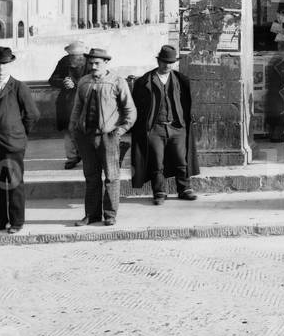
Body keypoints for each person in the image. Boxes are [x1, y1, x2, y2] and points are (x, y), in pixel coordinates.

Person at [68, 48, 136, 226]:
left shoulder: (117, 81)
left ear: (106, 63)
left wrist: (120, 130)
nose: (93, 66)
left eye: (97, 63)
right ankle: (91, 215)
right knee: (91, 177)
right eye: (90, 63)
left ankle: (110, 214)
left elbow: (130, 110)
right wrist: (74, 130)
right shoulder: (83, 82)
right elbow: (77, 109)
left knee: (112, 177)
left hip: (108, 137)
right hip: (86, 137)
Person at [0, 47, 38, 234]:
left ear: (10, 64)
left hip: (12, 144)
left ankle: (17, 222)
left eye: (5, 63)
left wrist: (19, 134)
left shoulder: (19, 87)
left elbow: (32, 115)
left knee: (14, 183)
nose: (1, 67)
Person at [130, 45, 199, 205]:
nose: (167, 65)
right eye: (164, 61)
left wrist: (186, 121)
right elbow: (136, 106)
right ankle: (159, 192)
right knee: (157, 162)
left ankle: (184, 189)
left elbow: (187, 102)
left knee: (182, 160)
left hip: (177, 126)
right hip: (155, 128)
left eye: (171, 62)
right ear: (158, 61)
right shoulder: (144, 81)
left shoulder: (181, 80)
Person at [47, 40, 88, 169]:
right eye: (72, 56)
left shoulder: (90, 62)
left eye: (78, 56)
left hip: (86, 100)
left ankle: (87, 155)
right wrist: (63, 82)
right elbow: (52, 80)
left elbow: (94, 80)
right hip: (67, 102)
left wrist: (75, 84)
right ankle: (72, 157)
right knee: (68, 129)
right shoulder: (64, 61)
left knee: (85, 129)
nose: (74, 59)